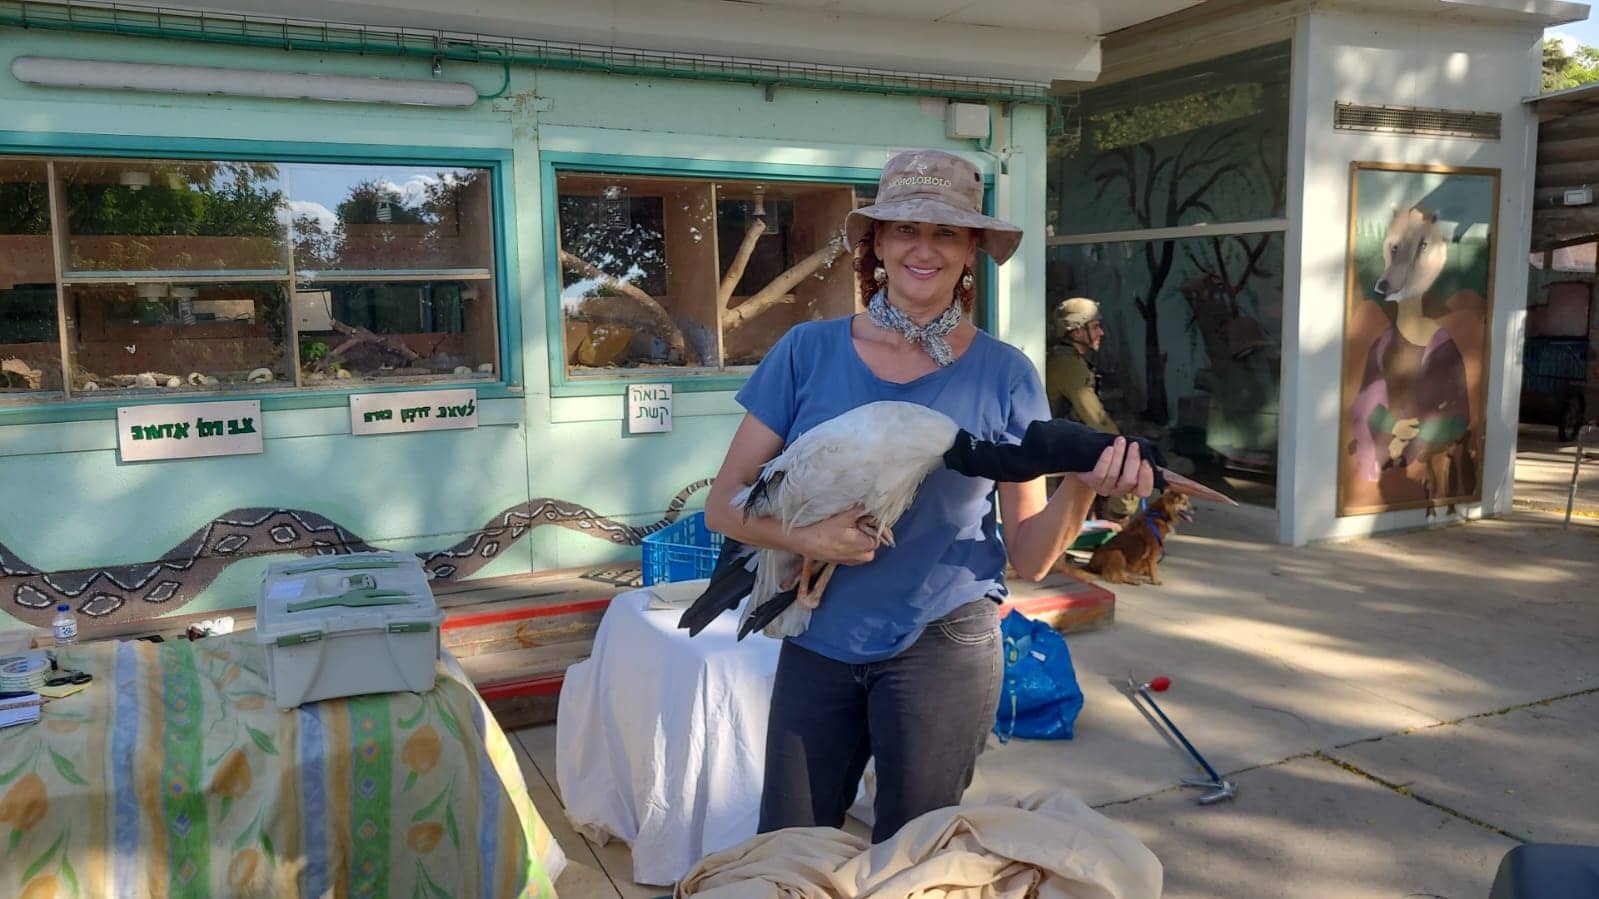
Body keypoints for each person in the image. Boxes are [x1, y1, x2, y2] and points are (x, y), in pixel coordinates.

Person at [703, 149, 1154, 844]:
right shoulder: (806, 351)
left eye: (946, 232)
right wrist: (808, 540)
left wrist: (1081, 488)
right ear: (877, 243)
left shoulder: (1004, 372)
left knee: (915, 857)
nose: (923, 248)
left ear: (971, 250)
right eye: (905, 229)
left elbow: (1031, 555)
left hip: (944, 640)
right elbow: (723, 506)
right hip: (817, 636)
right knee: (788, 846)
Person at [1046, 297, 1141, 523]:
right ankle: (1114, 522)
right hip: (1058, 449)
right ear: (1077, 332)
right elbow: (1097, 420)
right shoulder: (1069, 366)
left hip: (1061, 442)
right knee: (1124, 462)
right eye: (1095, 327)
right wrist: (1123, 448)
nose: (1102, 333)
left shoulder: (1066, 360)